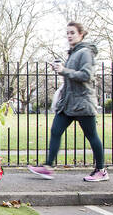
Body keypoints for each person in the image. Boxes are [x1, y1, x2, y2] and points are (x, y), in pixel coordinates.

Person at [28, 22, 108, 182]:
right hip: (68, 104)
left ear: (81, 34)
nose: (69, 36)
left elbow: (86, 75)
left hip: (83, 103)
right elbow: (72, 75)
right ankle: (48, 167)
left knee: (92, 136)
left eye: (72, 33)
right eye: (68, 33)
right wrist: (61, 69)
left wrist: (64, 70)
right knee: (55, 130)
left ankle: (101, 170)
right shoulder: (73, 53)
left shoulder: (85, 52)